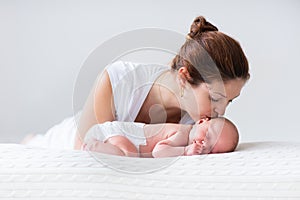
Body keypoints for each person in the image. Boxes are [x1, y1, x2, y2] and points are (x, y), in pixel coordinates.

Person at [23, 16, 249, 151]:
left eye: (229, 102)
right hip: (68, 138)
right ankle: (31, 139)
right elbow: (90, 149)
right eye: (215, 98)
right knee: (37, 144)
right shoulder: (117, 81)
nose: (220, 111)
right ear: (184, 77)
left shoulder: (202, 126)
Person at [82, 117, 239, 158]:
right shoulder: (183, 134)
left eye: (211, 149)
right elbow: (159, 151)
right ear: (202, 121)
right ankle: (93, 147)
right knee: (128, 155)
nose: (205, 143)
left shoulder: (188, 135)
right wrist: (185, 151)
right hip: (120, 133)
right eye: (208, 135)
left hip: (124, 135)